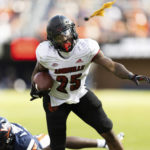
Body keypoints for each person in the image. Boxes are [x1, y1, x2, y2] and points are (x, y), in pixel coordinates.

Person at [30, 15, 150, 150]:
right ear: (52, 40)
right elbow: (37, 72)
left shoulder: (86, 47)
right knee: (57, 146)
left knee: (109, 133)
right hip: (55, 99)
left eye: (66, 35)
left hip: (80, 94)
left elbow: (112, 66)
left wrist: (131, 76)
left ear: (73, 31)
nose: (64, 40)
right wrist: (35, 88)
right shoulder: (46, 53)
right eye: (59, 37)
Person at [0, 116, 124, 150]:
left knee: (58, 144)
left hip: (36, 145)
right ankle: (104, 143)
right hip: (36, 139)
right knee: (58, 142)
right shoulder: (5, 130)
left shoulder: (24, 144)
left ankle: (104, 143)